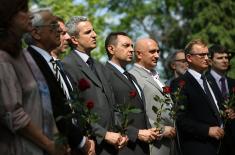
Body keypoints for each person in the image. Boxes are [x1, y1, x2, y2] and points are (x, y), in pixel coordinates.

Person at [23, 9, 95, 155]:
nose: (65, 35)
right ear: (36, 33)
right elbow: (53, 108)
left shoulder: (51, 63)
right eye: (54, 27)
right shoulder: (29, 63)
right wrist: (80, 141)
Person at [0, 1, 66, 155]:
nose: (30, 15)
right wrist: (49, 145)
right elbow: (13, 115)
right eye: (23, 10)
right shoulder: (3, 58)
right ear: (7, 17)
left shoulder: (26, 56)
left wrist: (57, 140)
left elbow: (45, 102)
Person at [62, 16, 128, 155]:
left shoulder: (100, 66)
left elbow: (113, 103)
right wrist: (103, 134)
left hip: (114, 143)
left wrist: (120, 132)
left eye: (93, 30)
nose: (95, 35)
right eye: (88, 32)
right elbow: (75, 110)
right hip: (90, 146)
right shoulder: (67, 65)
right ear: (74, 39)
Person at [105, 32, 160, 155]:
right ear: (111, 49)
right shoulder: (105, 74)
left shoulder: (130, 76)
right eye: (126, 46)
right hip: (124, 146)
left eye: (132, 46)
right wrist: (136, 133)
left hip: (142, 146)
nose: (131, 50)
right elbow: (109, 112)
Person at [171, 39, 225, 155]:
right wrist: (207, 130)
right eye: (202, 55)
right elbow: (181, 119)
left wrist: (226, 112)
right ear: (189, 58)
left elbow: (213, 108)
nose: (206, 58)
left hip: (219, 146)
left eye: (207, 54)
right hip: (198, 147)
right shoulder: (180, 83)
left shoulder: (209, 81)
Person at [129, 38, 176, 155]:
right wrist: (162, 130)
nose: (157, 55)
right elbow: (136, 112)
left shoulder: (157, 77)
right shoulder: (133, 76)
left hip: (171, 143)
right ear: (139, 54)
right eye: (152, 51)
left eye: (158, 51)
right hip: (154, 145)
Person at [205, 44, 235, 155]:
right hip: (213, 142)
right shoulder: (204, 82)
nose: (225, 60)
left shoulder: (233, 83)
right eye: (220, 58)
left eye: (226, 57)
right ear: (210, 61)